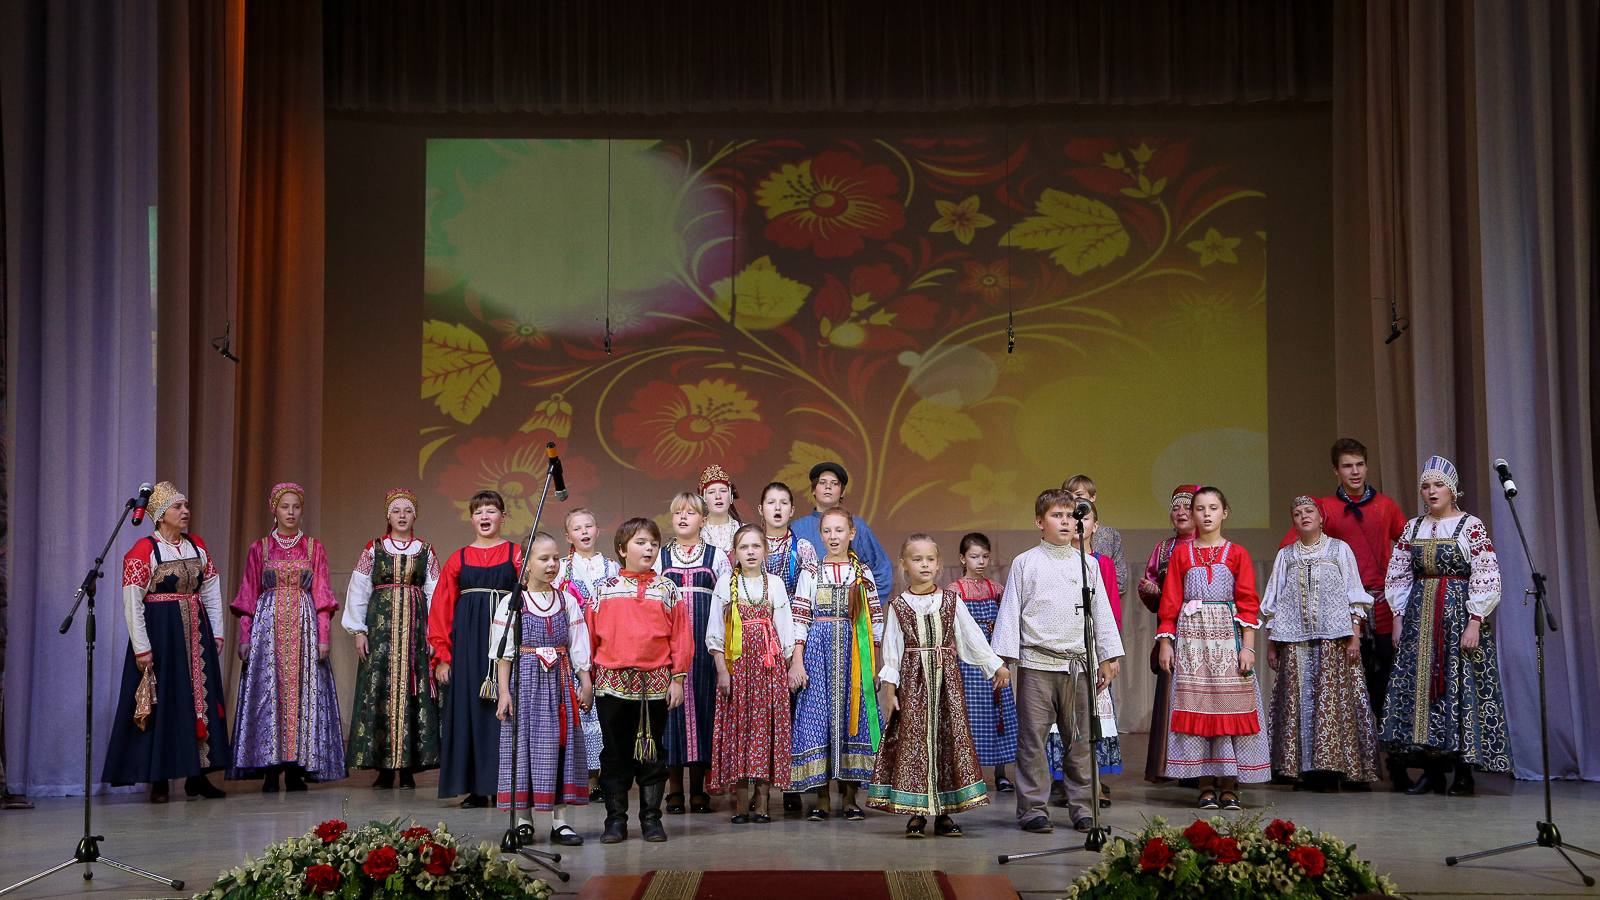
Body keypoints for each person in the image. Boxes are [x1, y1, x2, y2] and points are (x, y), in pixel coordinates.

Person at [1277, 438, 1408, 788]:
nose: (1355, 472)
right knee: (1343, 691)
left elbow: (1409, 546)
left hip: (1381, 609)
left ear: (1366, 466)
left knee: (1384, 691)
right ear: (1336, 470)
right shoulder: (1325, 508)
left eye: (1359, 465)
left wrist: (1400, 587)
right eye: (1347, 466)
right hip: (1338, 618)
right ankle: (1341, 765)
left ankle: (1390, 766)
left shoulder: (1385, 505)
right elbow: (1293, 547)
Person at [993, 488, 1124, 835]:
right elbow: (1010, 612)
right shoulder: (1025, 562)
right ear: (1040, 521)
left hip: (1078, 666)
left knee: (1081, 741)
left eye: (1070, 516)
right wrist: (1003, 660)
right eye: (1057, 515)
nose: (1066, 522)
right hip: (1037, 663)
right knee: (1033, 741)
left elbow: (1101, 612)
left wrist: (1107, 657)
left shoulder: (1088, 564)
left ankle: (1084, 809)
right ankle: (1033, 810)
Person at [1381, 456, 1512, 795]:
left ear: (1452, 489)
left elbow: (1486, 573)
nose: (1431, 491)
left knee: (1460, 687)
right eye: (1426, 486)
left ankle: (1464, 772)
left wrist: (1475, 621)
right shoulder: (1412, 527)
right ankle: (1432, 770)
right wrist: (1398, 618)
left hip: (1457, 618)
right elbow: (1398, 574)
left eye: (1438, 485)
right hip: (1420, 619)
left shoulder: (1471, 526)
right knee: (1423, 690)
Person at [869, 535, 1009, 837]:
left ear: (938, 564)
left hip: (947, 685)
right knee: (915, 744)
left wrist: (995, 664)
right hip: (913, 686)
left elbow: (971, 637)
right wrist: (890, 691)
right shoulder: (898, 605)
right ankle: (917, 813)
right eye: (917, 559)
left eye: (930, 559)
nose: (925, 565)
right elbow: (892, 651)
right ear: (904, 565)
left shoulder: (950, 600)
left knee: (946, 742)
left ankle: (945, 812)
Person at [103, 482, 231, 802]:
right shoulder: (143, 550)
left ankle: (197, 776)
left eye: (186, 506)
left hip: (196, 636)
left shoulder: (197, 546)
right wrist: (142, 648)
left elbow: (211, 589)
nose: (185, 511)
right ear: (160, 515)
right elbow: (132, 603)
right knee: (164, 702)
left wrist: (216, 632)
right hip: (162, 637)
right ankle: (159, 780)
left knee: (198, 701)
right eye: (177, 507)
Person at [1156, 486, 1269, 809]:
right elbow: (1170, 602)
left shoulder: (1237, 553)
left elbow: (1248, 602)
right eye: (1200, 508)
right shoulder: (1181, 554)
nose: (1206, 514)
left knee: (1230, 709)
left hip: (1227, 641)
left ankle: (1230, 786)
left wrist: (1248, 648)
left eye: (1213, 508)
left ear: (1224, 512)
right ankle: (1205, 786)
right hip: (1192, 642)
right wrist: (1165, 643)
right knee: (1197, 708)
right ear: (1192, 515)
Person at [230, 482, 345, 790]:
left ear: (302, 510)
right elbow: (248, 595)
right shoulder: (260, 548)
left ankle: (295, 769)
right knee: (269, 694)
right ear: (275, 510)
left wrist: (323, 637)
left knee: (303, 694)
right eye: (285, 507)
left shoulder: (314, 547)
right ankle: (270, 769)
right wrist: (245, 637)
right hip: (267, 631)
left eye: (295, 507)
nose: (290, 512)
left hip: (304, 629)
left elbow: (322, 595)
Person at [1262, 496, 1380, 791]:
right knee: (1298, 701)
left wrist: (1354, 634)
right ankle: (1304, 771)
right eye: (1297, 513)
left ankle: (1338, 770)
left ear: (1321, 517)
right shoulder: (1286, 555)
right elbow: (1274, 601)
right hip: (1294, 640)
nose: (1303, 516)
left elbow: (1354, 592)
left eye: (1309, 511)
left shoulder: (1339, 549)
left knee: (1334, 700)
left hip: (1334, 639)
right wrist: (1272, 644)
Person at [588, 518, 693, 844]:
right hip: (611, 684)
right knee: (615, 754)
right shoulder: (603, 589)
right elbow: (589, 638)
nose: (649, 549)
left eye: (653, 544)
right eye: (640, 543)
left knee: (652, 752)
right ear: (622, 549)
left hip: (655, 685)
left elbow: (681, 636)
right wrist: (587, 682)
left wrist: (678, 679)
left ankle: (651, 819)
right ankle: (615, 821)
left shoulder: (667, 589)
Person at [492, 532, 591, 847]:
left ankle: (560, 822)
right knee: (523, 750)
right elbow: (504, 653)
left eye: (556, 558)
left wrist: (585, 681)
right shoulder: (513, 603)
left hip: (559, 685)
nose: (551, 565)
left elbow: (578, 645)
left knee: (560, 749)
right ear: (525, 562)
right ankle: (524, 821)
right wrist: (504, 692)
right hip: (525, 685)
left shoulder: (566, 601)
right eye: (543, 558)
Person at [344, 488, 442, 789]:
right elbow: (358, 589)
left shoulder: (426, 551)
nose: (402, 515)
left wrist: (433, 636)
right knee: (380, 692)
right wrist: (359, 631)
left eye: (407, 510)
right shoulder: (373, 549)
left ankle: (409, 767)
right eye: (396, 511)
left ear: (415, 515)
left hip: (415, 636)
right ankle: (384, 768)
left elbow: (435, 594)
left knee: (413, 694)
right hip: (381, 635)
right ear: (388, 516)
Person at [706, 524, 805, 824]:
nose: (750, 552)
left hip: (767, 671)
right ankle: (740, 804)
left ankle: (762, 804)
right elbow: (715, 632)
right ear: (735, 553)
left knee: (765, 732)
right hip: (737, 670)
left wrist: (788, 667)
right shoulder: (726, 584)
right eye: (744, 547)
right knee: (739, 731)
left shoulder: (774, 584)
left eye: (756, 546)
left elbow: (785, 629)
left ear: (765, 550)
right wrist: (722, 670)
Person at [430, 489, 522, 807]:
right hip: (469, 644)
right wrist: (443, 657)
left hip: (506, 639)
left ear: (503, 516)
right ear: (471, 519)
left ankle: (507, 784)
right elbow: (442, 608)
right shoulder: (458, 558)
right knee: (470, 709)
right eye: (479, 511)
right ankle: (477, 789)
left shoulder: (517, 554)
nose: (485, 516)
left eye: (491, 510)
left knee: (506, 707)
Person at [790, 505, 879, 821]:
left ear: (851, 533)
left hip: (854, 655)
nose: (833, 536)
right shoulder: (812, 572)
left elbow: (875, 621)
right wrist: (797, 661)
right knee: (819, 721)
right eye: (827, 531)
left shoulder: (862, 573)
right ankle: (822, 798)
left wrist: (872, 666)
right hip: (818, 654)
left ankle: (850, 797)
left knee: (852, 721)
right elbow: (800, 617)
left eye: (839, 530)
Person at [656, 492, 732, 815]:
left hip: (704, 646)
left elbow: (727, 602)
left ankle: (698, 790)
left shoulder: (717, 556)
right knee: (671, 715)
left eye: (690, 513)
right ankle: (674, 790)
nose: (684, 517)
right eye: (678, 513)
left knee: (703, 711)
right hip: (670, 646)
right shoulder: (660, 557)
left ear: (703, 520)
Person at [1138, 485, 1201, 783]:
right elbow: (1153, 592)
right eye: (1176, 508)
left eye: (1187, 507)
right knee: (1172, 697)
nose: (1181, 512)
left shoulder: (1210, 546)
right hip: (1172, 633)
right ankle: (1171, 766)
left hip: (1206, 635)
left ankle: (1203, 768)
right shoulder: (1163, 548)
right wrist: (1152, 592)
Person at [555, 507, 617, 800]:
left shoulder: (612, 567)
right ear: (568, 536)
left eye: (588, 526)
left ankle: (602, 777)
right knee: (579, 708)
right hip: (574, 645)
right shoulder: (561, 568)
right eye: (577, 528)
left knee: (604, 711)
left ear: (598, 530)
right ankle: (580, 777)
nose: (584, 532)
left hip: (605, 645)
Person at [949, 533, 1017, 791]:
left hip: (994, 660)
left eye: (985, 557)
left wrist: (1003, 659)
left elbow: (1006, 625)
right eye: (974, 556)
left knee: (999, 714)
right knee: (968, 717)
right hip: (967, 662)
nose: (980, 562)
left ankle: (1001, 774)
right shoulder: (954, 590)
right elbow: (950, 629)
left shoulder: (996, 589)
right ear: (962, 558)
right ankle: (969, 775)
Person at [791, 462, 894, 597]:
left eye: (834, 483)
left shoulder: (857, 525)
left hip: (851, 608)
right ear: (813, 489)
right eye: (822, 482)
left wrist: (865, 604)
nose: (828, 486)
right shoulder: (797, 528)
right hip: (808, 607)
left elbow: (882, 569)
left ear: (842, 492)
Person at [1063, 475, 1129, 613]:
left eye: (1079, 495)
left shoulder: (1109, 535)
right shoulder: (1061, 533)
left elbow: (1120, 582)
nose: (1074, 500)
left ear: (1092, 497)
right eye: (1068, 496)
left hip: (1101, 605)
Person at [699, 464, 744, 554]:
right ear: (703, 497)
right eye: (711, 492)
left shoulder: (744, 531)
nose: (718, 496)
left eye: (723, 491)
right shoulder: (696, 534)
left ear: (730, 495)